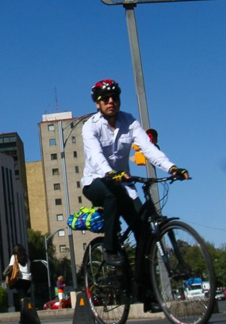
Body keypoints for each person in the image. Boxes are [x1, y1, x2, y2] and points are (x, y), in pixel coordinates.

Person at [81, 79, 189, 312]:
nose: (111, 101)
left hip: (124, 185)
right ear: (98, 103)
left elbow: (147, 148)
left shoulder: (128, 121)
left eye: (115, 97)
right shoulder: (90, 126)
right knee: (111, 195)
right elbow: (96, 156)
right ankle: (109, 250)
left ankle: (146, 293)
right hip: (96, 182)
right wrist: (111, 173)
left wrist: (171, 168)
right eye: (106, 99)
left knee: (146, 235)